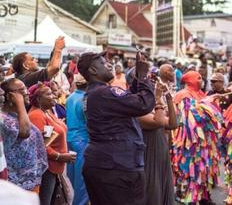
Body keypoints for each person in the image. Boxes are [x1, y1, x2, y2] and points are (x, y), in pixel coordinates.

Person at [77, 51, 155, 205]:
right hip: (117, 167)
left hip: (107, 164)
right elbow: (143, 104)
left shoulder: (96, 93)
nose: (109, 65)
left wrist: (138, 77)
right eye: (103, 63)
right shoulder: (103, 93)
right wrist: (145, 77)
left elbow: (128, 100)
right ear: (93, 70)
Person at [172, 70, 221, 205]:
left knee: (204, 168)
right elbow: (192, 117)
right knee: (190, 169)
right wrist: (208, 103)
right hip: (190, 140)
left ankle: (203, 196)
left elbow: (211, 115)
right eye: (198, 78)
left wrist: (212, 103)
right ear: (190, 81)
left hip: (204, 140)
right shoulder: (183, 95)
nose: (202, 80)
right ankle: (188, 196)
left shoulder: (200, 94)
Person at [28, 82, 75, 205]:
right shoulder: (36, 115)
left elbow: (49, 137)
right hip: (47, 168)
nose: (53, 95)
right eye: (48, 94)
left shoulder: (47, 112)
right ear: (38, 99)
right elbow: (42, 146)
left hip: (55, 167)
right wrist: (60, 156)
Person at [138, 65, 178, 205]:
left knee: (163, 189)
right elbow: (159, 122)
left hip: (161, 154)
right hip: (149, 157)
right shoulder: (140, 114)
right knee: (153, 192)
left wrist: (169, 99)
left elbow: (173, 124)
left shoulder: (155, 110)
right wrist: (158, 98)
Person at [0, 79, 47, 192]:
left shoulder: (17, 115)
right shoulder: (3, 118)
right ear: (10, 96)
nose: (27, 92)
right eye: (22, 90)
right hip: (17, 184)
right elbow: (24, 132)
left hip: (30, 181)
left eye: (26, 88)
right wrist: (20, 102)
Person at [66, 74, 89, 205]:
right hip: (83, 141)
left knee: (73, 178)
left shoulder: (71, 97)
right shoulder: (85, 99)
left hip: (71, 139)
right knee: (82, 182)